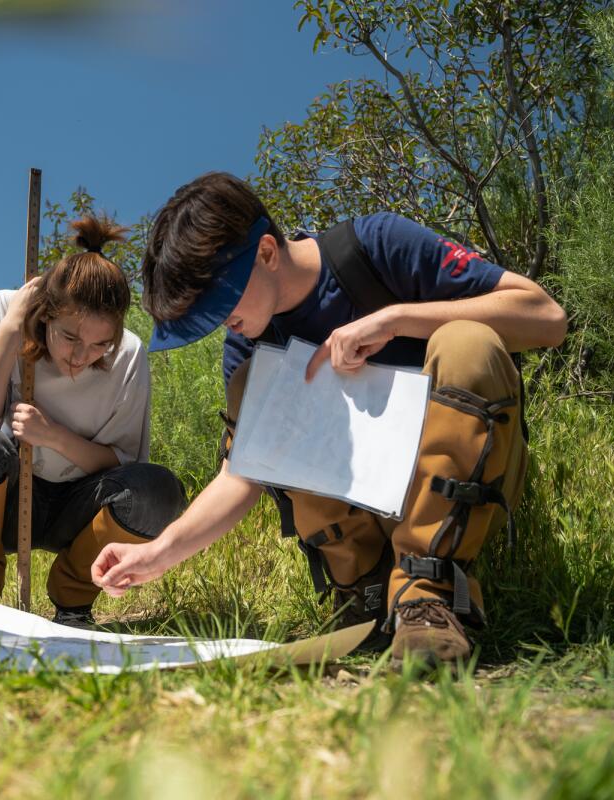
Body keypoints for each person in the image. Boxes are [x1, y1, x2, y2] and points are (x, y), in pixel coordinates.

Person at [91, 172, 567, 665]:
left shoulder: (377, 247)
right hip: (359, 525)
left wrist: (399, 319)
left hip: (455, 495)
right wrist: (157, 553)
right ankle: (365, 592)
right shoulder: (249, 344)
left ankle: (430, 595)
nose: (219, 324)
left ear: (268, 253)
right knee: (255, 381)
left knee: (466, 341)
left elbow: (546, 317)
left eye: (222, 304)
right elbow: (241, 474)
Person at [0, 215, 185, 628]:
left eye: (100, 344)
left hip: (79, 505)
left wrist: (53, 437)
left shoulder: (130, 355)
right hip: (6, 498)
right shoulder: (5, 309)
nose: (82, 355)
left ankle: (73, 599)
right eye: (70, 337)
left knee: (156, 489)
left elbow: (123, 467)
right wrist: (13, 329)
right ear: (46, 314)